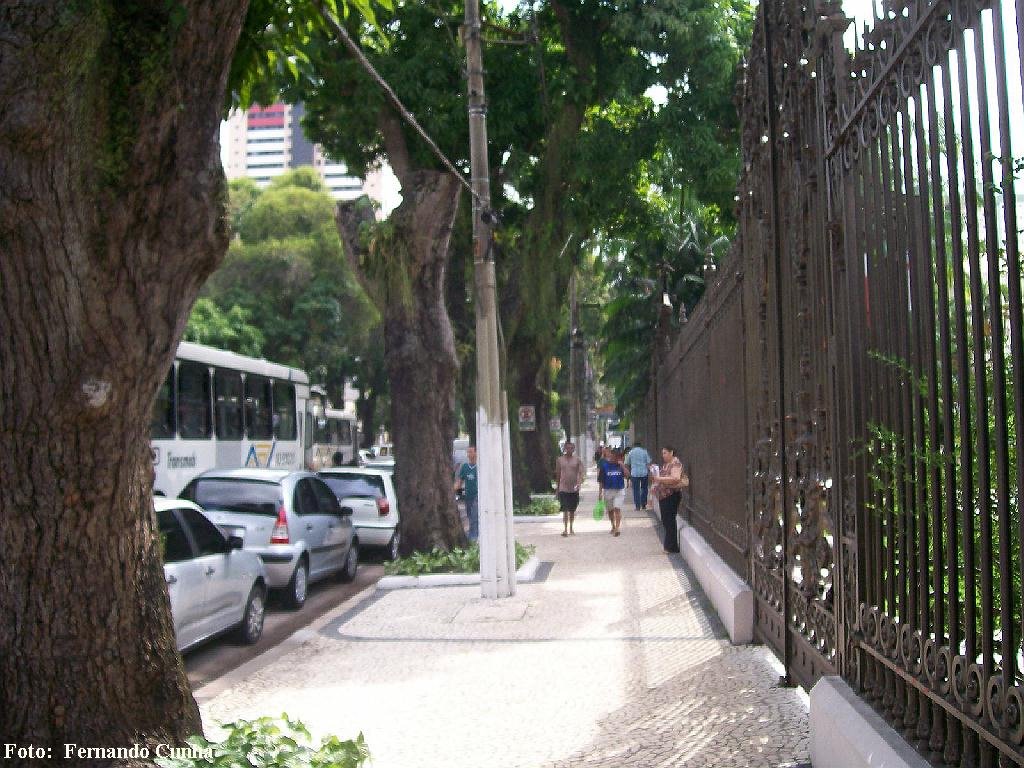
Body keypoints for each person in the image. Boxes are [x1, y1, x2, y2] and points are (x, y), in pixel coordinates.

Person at [650, 445, 688, 553]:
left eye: (665, 453)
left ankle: (670, 546)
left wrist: (659, 478)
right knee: (666, 520)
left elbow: (675, 478)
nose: (663, 455)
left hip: (671, 495)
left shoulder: (675, 464)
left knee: (669, 520)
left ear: (671, 453)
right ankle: (671, 545)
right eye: (662, 453)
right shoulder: (666, 464)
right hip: (664, 495)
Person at [555, 441, 584, 537]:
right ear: (565, 449)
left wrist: (579, 483)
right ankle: (565, 529)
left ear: (574, 449)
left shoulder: (577, 460)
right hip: (563, 488)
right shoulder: (560, 460)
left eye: (571, 448)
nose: (569, 450)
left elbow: (580, 473)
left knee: (572, 510)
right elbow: (558, 474)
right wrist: (557, 488)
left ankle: (571, 527)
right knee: (565, 509)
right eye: (567, 448)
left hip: (573, 488)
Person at [598, 449, 627, 536]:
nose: (615, 459)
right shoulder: (604, 466)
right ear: (611, 456)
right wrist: (600, 492)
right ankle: (613, 526)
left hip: (619, 490)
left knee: (617, 509)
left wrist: (623, 466)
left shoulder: (620, 465)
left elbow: (628, 475)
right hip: (608, 490)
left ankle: (617, 528)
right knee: (610, 510)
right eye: (613, 457)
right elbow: (601, 480)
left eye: (617, 458)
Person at [455, 446, 479, 541]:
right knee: (469, 516)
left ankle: (473, 537)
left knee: (474, 516)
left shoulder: (480, 467)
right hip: (468, 496)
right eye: (468, 452)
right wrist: (457, 495)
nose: (469, 454)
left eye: (471, 452)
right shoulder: (465, 467)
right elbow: (459, 483)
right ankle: (474, 535)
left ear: (476, 453)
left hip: (477, 496)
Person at [624, 441, 651, 511]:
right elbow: (648, 463)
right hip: (644, 473)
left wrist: (628, 472)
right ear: (640, 446)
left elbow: (626, 463)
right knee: (644, 489)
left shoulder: (630, 452)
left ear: (634, 446)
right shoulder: (645, 452)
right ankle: (644, 504)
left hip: (634, 473)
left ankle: (637, 506)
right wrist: (650, 472)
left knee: (636, 490)